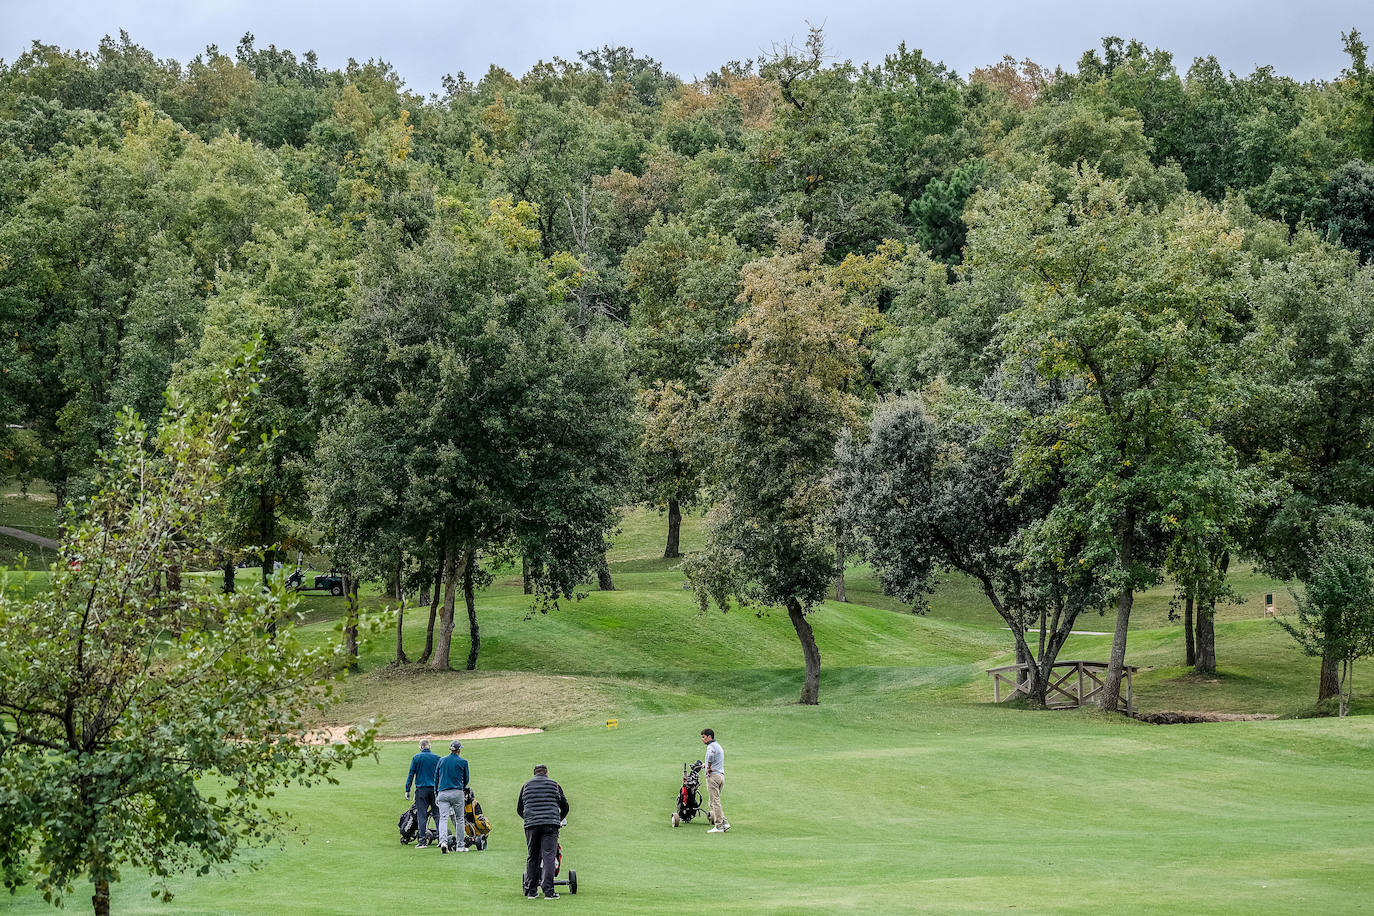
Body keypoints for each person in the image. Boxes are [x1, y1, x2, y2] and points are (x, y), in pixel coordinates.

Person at [517, 764, 569, 899]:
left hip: (531, 826)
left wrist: (529, 819)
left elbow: (519, 808)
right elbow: (565, 806)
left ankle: (532, 891)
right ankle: (549, 891)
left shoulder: (526, 786)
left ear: (534, 773)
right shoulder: (555, 785)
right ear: (547, 773)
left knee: (532, 856)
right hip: (550, 825)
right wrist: (559, 819)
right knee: (548, 856)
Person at [435, 739, 471, 853]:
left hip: (442, 793)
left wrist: (436, 792)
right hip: (457, 792)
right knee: (459, 819)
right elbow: (466, 779)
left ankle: (443, 842)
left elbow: (436, 778)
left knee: (443, 818)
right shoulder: (463, 762)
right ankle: (460, 846)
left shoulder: (442, 760)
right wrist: (461, 787)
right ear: (459, 750)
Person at [405, 738, 441, 848]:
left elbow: (411, 774)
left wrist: (407, 789)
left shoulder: (416, 758)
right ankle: (441, 839)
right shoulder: (437, 758)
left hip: (421, 790)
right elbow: (441, 774)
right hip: (435, 790)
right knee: (437, 815)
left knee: (422, 815)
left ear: (420, 747)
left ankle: (422, 841)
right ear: (429, 746)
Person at [701, 728, 729, 833]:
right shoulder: (718, 745)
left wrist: (708, 767)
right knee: (712, 802)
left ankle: (719, 826)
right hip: (721, 776)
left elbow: (711, 757)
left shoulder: (711, 747)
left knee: (715, 802)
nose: (702, 739)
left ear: (709, 737)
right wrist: (706, 765)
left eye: (703, 737)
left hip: (713, 776)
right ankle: (724, 822)